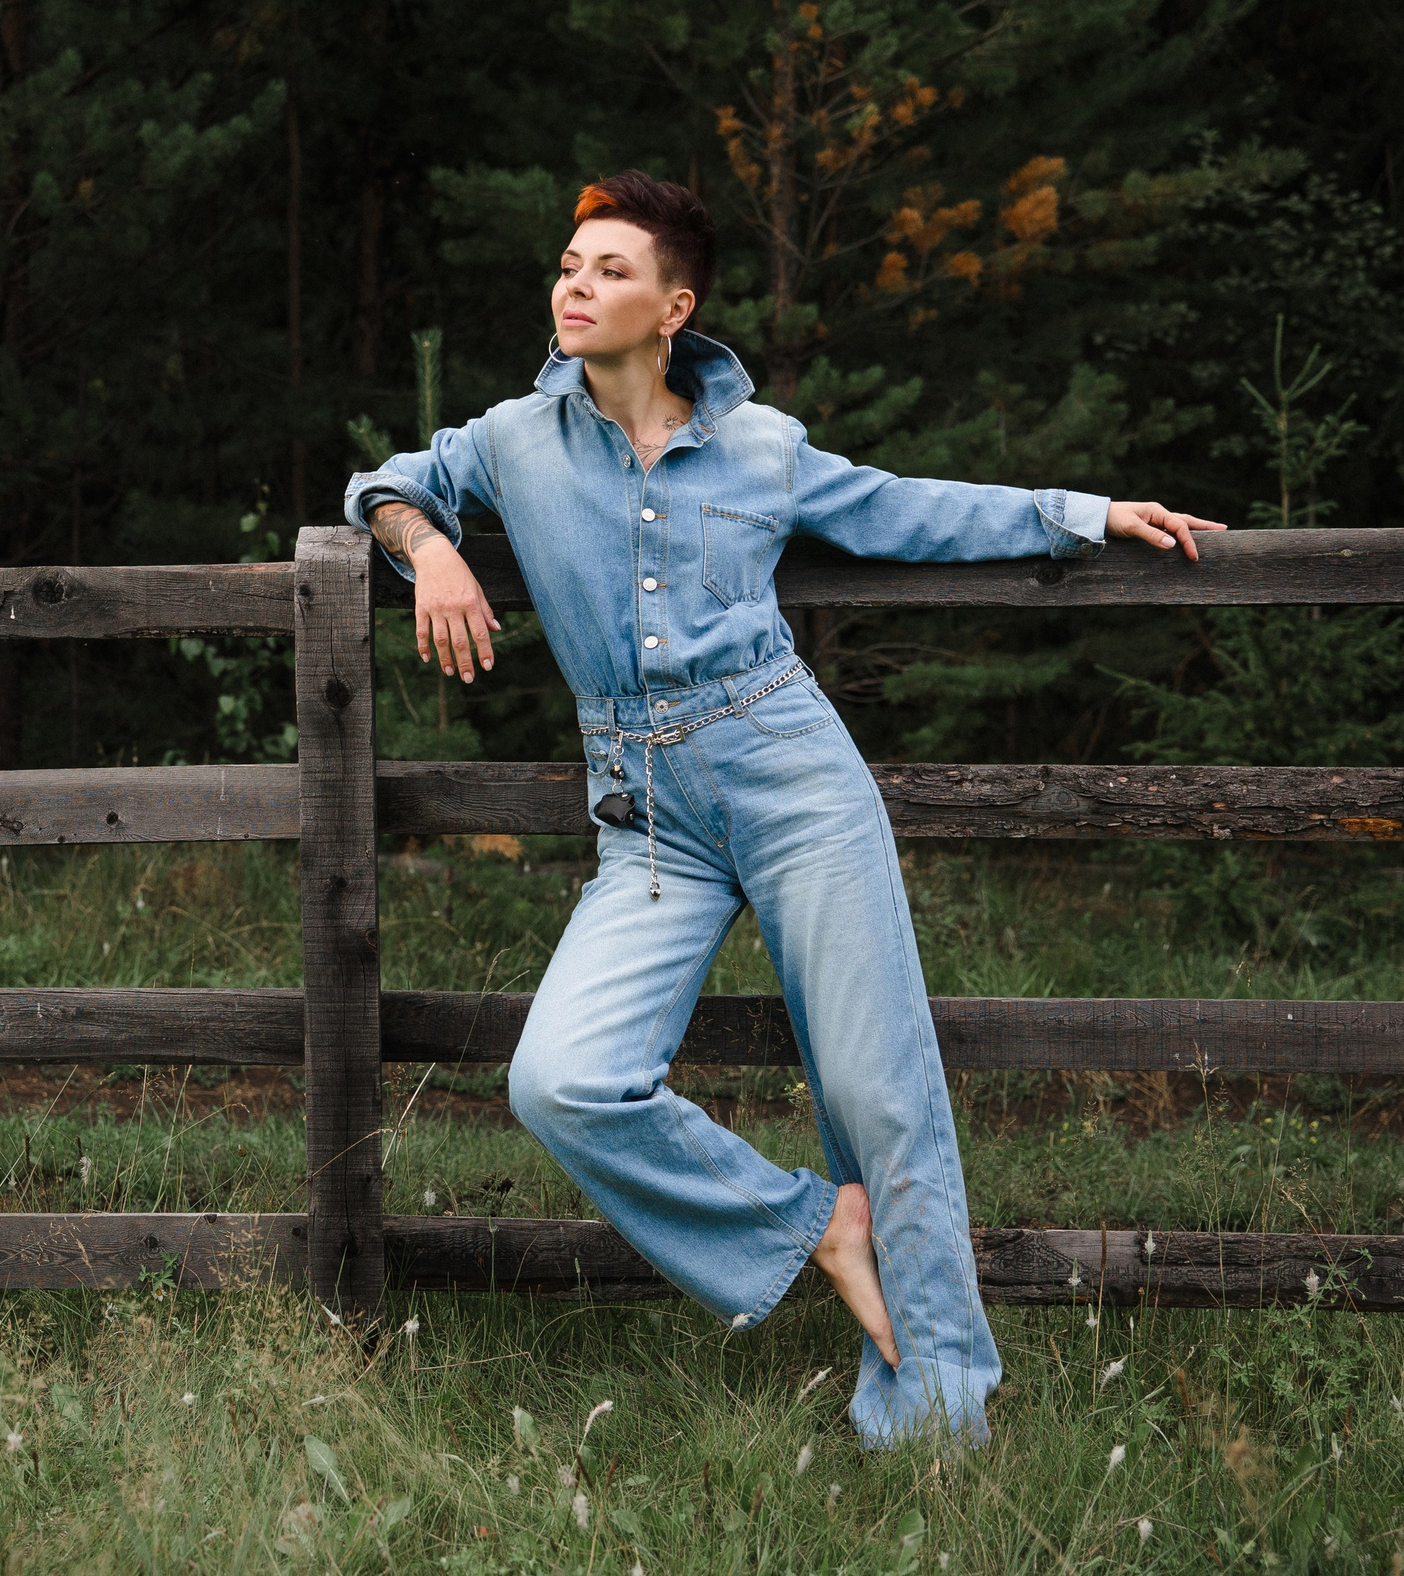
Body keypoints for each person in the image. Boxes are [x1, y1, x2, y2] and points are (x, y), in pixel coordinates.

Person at [345, 170, 1221, 1448]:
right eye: (568, 266)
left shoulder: (763, 448)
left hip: (794, 778)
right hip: (644, 820)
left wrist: (1081, 512)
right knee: (560, 1080)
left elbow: (907, 510)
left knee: (881, 1093)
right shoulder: (509, 442)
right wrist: (430, 550)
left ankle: (934, 1414)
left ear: (672, 306)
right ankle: (813, 1226)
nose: (575, 287)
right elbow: (383, 482)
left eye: (610, 270)